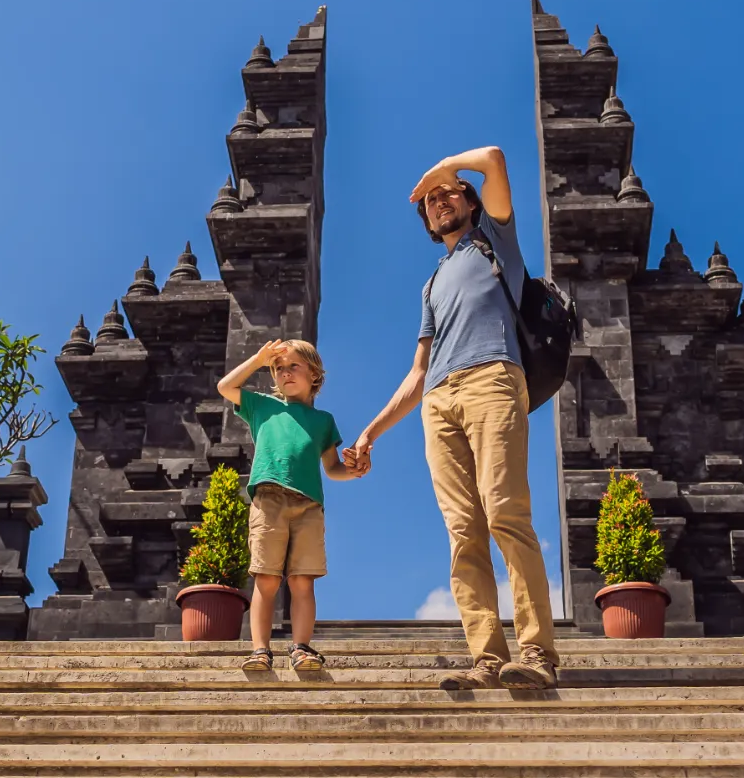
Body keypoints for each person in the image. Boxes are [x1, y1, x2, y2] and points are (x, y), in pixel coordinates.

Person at [351, 145, 560, 691]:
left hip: (492, 378)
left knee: (505, 513)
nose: (439, 201)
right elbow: (418, 371)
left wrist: (437, 171)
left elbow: (492, 158)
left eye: (449, 193)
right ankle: (487, 656)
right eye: (431, 201)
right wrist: (372, 431)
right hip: (439, 400)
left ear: (470, 201)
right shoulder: (431, 284)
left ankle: (537, 652)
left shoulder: (494, 240)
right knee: (463, 531)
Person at [216, 338, 361, 674]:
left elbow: (332, 468)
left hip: (308, 507)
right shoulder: (262, 406)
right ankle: (260, 650)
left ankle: (301, 647)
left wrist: (352, 472)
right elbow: (225, 386)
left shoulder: (324, 421)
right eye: (278, 368)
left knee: (302, 581)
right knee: (266, 580)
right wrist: (257, 359)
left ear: (315, 375)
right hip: (268, 502)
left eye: (293, 365)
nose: (285, 372)